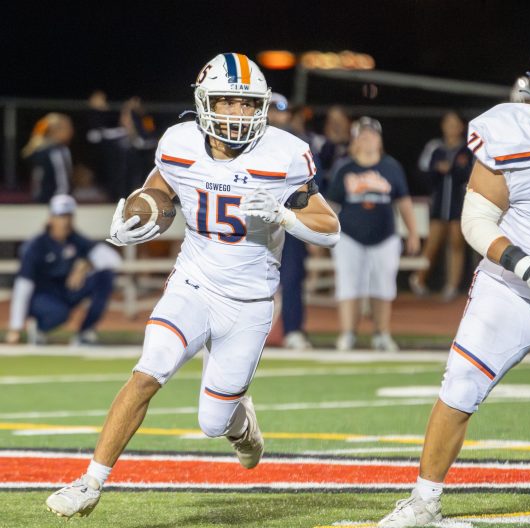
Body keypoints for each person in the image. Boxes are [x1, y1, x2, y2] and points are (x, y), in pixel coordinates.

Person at [45, 52, 340, 519]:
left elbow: (330, 227)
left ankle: (241, 423)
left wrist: (284, 213)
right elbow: (159, 192)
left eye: (247, 104)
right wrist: (137, 215)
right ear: (205, 102)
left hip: (250, 301)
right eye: (227, 101)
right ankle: (90, 481)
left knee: (212, 422)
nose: (238, 114)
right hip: (194, 283)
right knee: (148, 372)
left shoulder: (283, 152)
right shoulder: (179, 142)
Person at [378, 41, 530, 527]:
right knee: (460, 388)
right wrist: (525, 265)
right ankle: (425, 501)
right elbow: (477, 219)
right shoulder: (509, 130)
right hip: (512, 290)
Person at [328, 117, 420, 352]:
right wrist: (322, 234)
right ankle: (348, 333)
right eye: (362, 135)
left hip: (384, 236)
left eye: (372, 135)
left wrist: (413, 232)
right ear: (354, 141)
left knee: (383, 286)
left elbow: (404, 201)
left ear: (379, 140)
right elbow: (331, 205)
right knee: (349, 285)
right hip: (349, 236)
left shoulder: (391, 167)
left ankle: (381, 333)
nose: (368, 139)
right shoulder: (345, 168)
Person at [5, 195, 120, 346]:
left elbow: (113, 260)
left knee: (105, 276)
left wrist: (86, 264)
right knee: (59, 313)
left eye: (68, 216)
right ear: (51, 218)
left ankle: (85, 333)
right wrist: (15, 327)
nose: (65, 221)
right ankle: (39, 327)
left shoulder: (76, 240)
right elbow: (23, 285)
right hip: (42, 296)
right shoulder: (36, 246)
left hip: (67, 290)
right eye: (60, 216)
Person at [267, 94, 314, 350]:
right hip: (257, 221)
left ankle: (293, 329)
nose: (279, 116)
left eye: (282, 111)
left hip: (290, 218)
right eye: (274, 110)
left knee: (293, 276)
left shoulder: (297, 144)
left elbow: (310, 188)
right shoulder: (247, 142)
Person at [409, 111, 472, 301]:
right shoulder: (435, 147)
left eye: (455, 124)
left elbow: (473, 173)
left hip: (459, 203)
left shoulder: (468, 149)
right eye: (448, 123)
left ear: (461, 127)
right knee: (432, 242)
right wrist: (437, 170)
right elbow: (421, 171)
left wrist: (455, 170)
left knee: (456, 242)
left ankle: (452, 285)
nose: (451, 127)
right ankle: (418, 279)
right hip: (438, 203)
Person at [22, 113, 74, 203]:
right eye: (68, 128)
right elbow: (61, 180)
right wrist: (62, 199)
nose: (72, 131)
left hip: (46, 198)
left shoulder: (57, 149)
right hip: (51, 199)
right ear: (55, 130)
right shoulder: (52, 151)